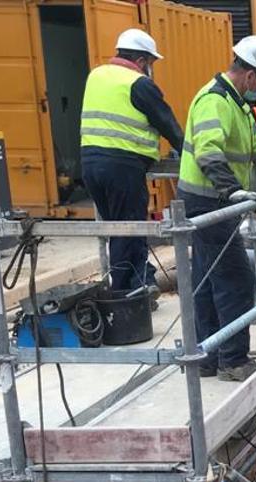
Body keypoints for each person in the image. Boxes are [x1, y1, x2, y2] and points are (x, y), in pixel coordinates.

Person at [177, 35, 256, 381]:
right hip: (207, 201)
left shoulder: (239, 107)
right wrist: (233, 190)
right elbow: (208, 152)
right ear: (249, 76)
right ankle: (232, 360)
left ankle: (208, 356)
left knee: (207, 278)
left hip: (215, 200)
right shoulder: (214, 101)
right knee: (236, 278)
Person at [80, 28, 184, 294]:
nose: (150, 69)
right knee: (128, 228)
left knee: (120, 228)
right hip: (122, 166)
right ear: (141, 61)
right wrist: (189, 153)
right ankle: (124, 296)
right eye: (150, 63)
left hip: (90, 164)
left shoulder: (96, 75)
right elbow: (167, 124)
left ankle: (142, 282)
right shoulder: (139, 84)